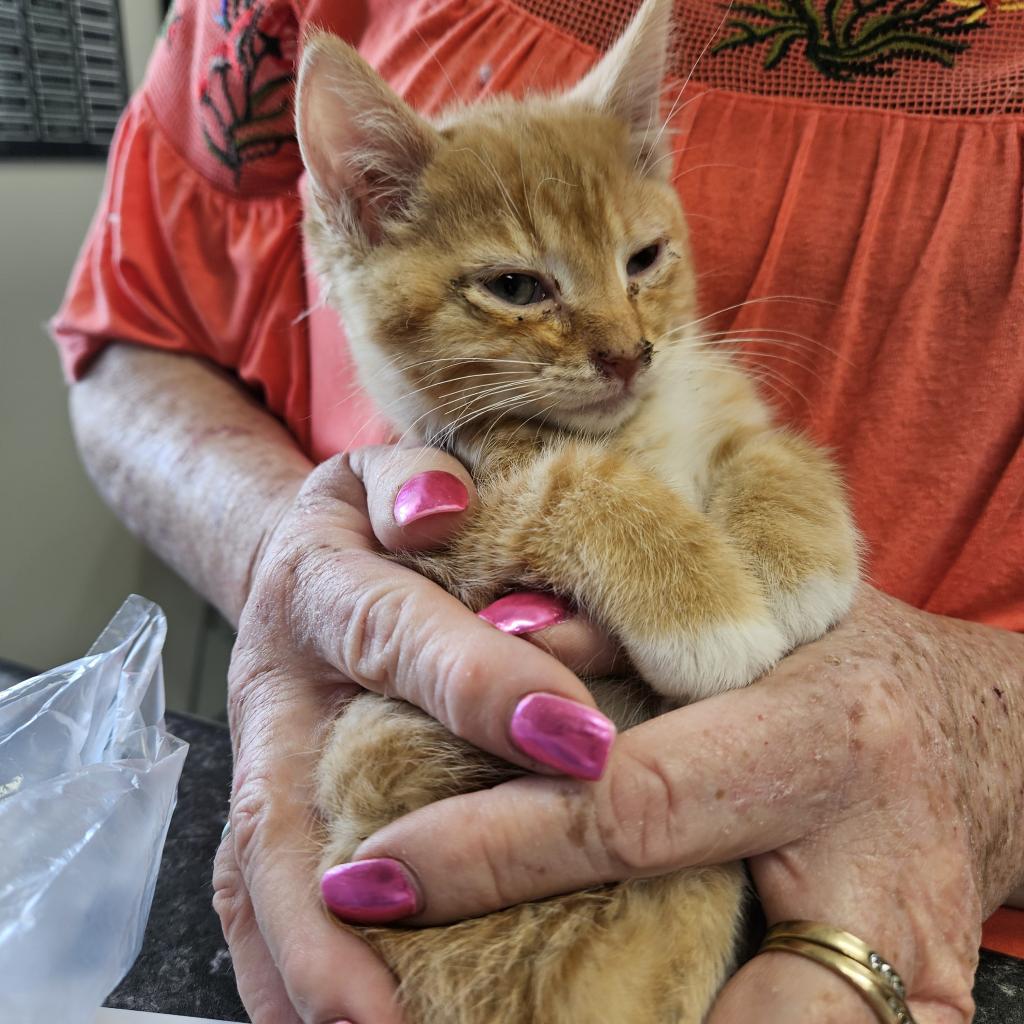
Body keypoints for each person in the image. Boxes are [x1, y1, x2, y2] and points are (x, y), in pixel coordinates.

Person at [53, 1, 1024, 1021]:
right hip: (430, 804)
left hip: (949, 913)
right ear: (364, 208)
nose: (621, 345)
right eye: (519, 285)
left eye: (643, 265)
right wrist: (323, 581)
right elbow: (139, 331)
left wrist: (981, 737)